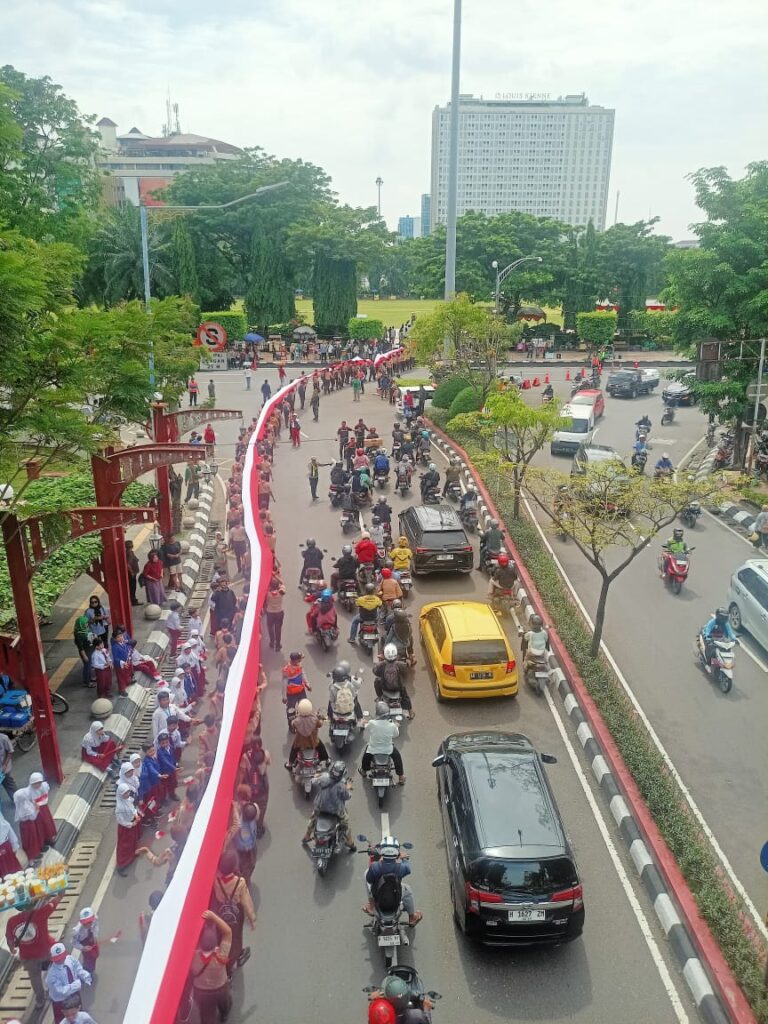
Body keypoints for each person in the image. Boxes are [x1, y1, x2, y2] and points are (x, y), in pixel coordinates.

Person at [6, 895, 61, 1009]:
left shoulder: (11, 921)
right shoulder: (42, 912)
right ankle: (58, 989)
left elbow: (10, 940)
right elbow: (57, 899)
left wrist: (12, 949)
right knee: (56, 968)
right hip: (45, 952)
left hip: (27, 957)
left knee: (35, 979)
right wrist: (51, 895)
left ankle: (40, 1000)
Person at [211, 850, 256, 974]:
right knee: (235, 938)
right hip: (236, 914)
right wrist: (252, 919)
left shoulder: (216, 880)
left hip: (221, 912)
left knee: (223, 937)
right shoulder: (240, 882)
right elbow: (247, 902)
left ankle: (226, 963)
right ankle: (234, 960)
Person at [364, 835, 423, 926]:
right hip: (396, 897)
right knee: (407, 889)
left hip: (378, 897)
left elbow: (369, 880)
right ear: (397, 852)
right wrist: (404, 858)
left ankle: (371, 906)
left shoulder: (375, 867)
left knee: (366, 877)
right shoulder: (401, 868)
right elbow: (408, 869)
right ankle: (412, 917)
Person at [190, 909, 233, 1023]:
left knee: (206, 1014)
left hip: (201, 991)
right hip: (220, 988)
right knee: (225, 1004)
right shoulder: (221, 954)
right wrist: (213, 916)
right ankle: (223, 1016)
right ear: (215, 944)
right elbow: (228, 932)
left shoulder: (192, 956)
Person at [302, 761, 356, 849]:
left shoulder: (323, 777)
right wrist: (348, 788)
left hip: (320, 807)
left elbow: (313, 781)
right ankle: (349, 843)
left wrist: (316, 776)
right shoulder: (341, 785)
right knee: (345, 824)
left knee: (313, 819)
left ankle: (307, 836)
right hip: (336, 811)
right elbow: (346, 797)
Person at [14, 772, 56, 860]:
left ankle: (48, 838)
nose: (38, 785)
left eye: (39, 782)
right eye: (35, 783)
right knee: (38, 830)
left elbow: (45, 795)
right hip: (35, 812)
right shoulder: (27, 793)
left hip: (42, 810)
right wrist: (34, 807)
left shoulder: (43, 786)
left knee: (46, 824)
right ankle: (41, 844)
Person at [360, 702, 405, 784]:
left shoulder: (372, 723)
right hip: (388, 749)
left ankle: (363, 771)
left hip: (373, 749)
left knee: (366, 757)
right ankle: (401, 777)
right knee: (397, 758)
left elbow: (367, 728)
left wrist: (364, 722)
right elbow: (396, 735)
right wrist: (397, 726)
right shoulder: (392, 725)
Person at [46, 942, 91, 1021]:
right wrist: (76, 985)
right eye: (57, 959)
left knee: (78, 1017)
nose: (60, 960)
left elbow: (78, 968)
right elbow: (62, 990)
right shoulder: (52, 975)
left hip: (74, 995)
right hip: (61, 1001)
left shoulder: (70, 959)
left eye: (62, 957)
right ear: (52, 959)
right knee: (63, 1019)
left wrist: (85, 976)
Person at [286, 699, 329, 767]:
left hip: (300, 743)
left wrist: (292, 721)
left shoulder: (296, 721)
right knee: (322, 747)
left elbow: (292, 727)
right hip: (313, 742)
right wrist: (322, 720)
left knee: (293, 750)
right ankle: (327, 760)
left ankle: (290, 764)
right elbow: (320, 724)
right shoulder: (314, 719)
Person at [373, 645, 413, 718]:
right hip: (398, 688)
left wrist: (380, 662)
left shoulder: (381, 665)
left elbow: (375, 672)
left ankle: (380, 697)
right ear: (396, 654)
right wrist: (409, 662)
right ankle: (411, 713)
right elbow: (406, 671)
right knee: (405, 696)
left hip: (385, 688)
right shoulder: (400, 664)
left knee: (376, 680)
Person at [115, 780, 140, 876]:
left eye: (128, 792)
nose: (127, 794)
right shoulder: (119, 808)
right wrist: (131, 824)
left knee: (132, 841)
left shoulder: (128, 800)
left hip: (132, 823)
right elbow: (120, 821)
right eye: (125, 793)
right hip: (125, 828)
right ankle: (121, 864)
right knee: (124, 846)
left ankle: (132, 855)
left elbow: (133, 809)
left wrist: (136, 815)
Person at [72, 907, 100, 975]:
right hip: (84, 943)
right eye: (85, 923)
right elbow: (74, 942)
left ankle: (90, 967)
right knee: (88, 958)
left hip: (92, 938)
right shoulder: (76, 931)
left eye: (90, 922)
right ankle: (86, 970)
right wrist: (83, 948)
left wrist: (95, 936)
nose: (88, 924)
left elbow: (96, 926)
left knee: (96, 954)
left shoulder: (95, 919)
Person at [264, 578, 285, 650]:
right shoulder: (281, 592)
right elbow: (282, 582)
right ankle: (278, 645)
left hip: (270, 613)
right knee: (278, 629)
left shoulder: (267, 593)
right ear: (277, 586)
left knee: (270, 628)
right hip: (279, 612)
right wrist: (275, 575)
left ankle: (272, 642)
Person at [0, 809, 21, 874]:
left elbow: (6, 826)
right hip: (5, 844)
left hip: (5, 844)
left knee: (12, 868)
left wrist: (14, 845)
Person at [125, 540, 141, 607]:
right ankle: (133, 600)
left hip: (133, 572)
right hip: (132, 573)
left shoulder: (129, 552)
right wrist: (131, 572)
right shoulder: (129, 553)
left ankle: (133, 600)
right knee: (132, 587)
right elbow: (128, 564)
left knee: (132, 587)